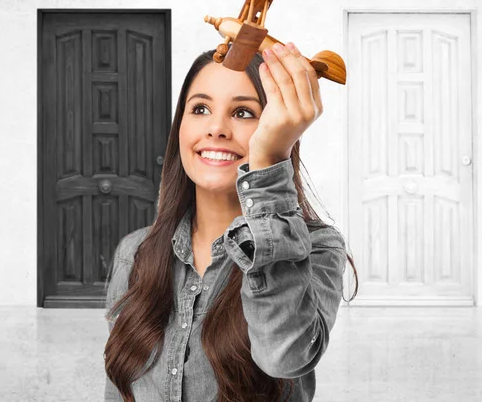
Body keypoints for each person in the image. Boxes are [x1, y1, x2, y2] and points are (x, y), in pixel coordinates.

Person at [103, 41, 358, 402]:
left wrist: (269, 159)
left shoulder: (316, 248)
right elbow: (118, 388)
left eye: (243, 113)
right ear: (180, 128)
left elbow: (284, 358)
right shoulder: (136, 252)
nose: (217, 128)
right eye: (201, 108)